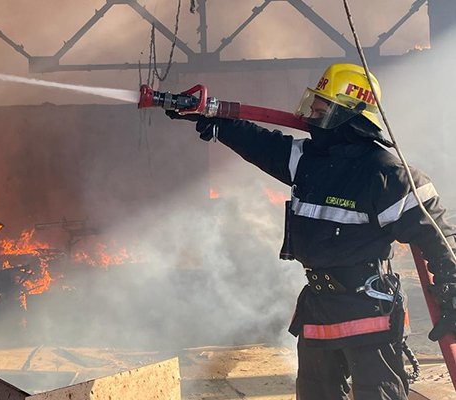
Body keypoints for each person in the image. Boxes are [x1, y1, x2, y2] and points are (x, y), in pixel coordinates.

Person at [167, 63, 456, 399]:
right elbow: (260, 143)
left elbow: (439, 240)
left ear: (348, 114)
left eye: (321, 110)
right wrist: (213, 120)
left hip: (367, 311)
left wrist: (452, 296)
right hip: (318, 307)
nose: (311, 116)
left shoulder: (388, 175)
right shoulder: (307, 160)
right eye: (313, 108)